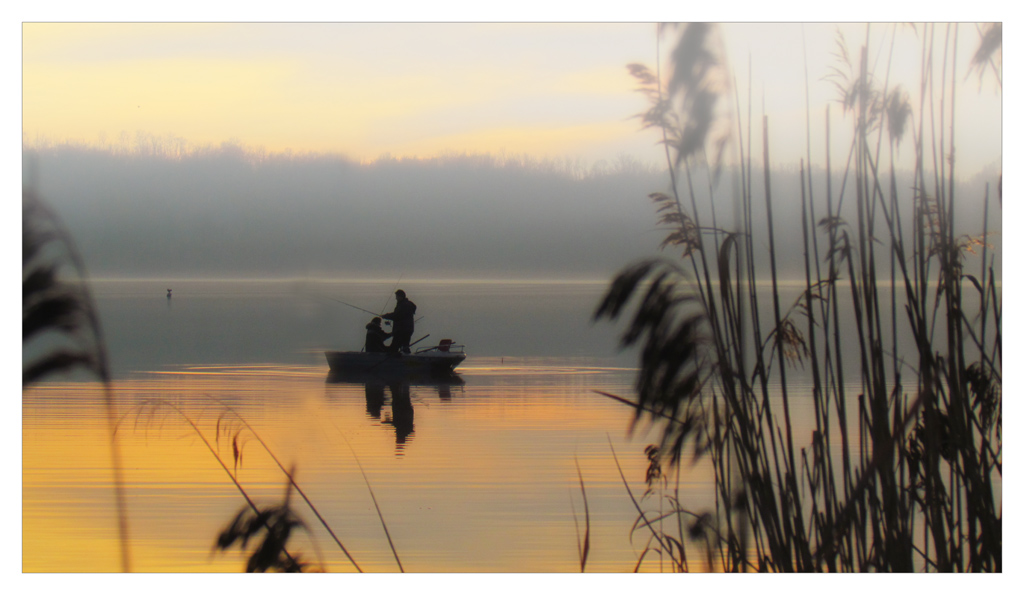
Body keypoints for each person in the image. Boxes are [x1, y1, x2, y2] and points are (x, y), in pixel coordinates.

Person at [382, 289, 417, 354]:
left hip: (401, 330)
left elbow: (397, 315)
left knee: (394, 347)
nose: (396, 298)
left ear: (401, 296)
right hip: (407, 330)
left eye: (397, 296)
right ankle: (407, 359)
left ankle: (394, 362)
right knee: (405, 346)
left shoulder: (404, 305)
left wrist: (386, 316)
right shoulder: (406, 304)